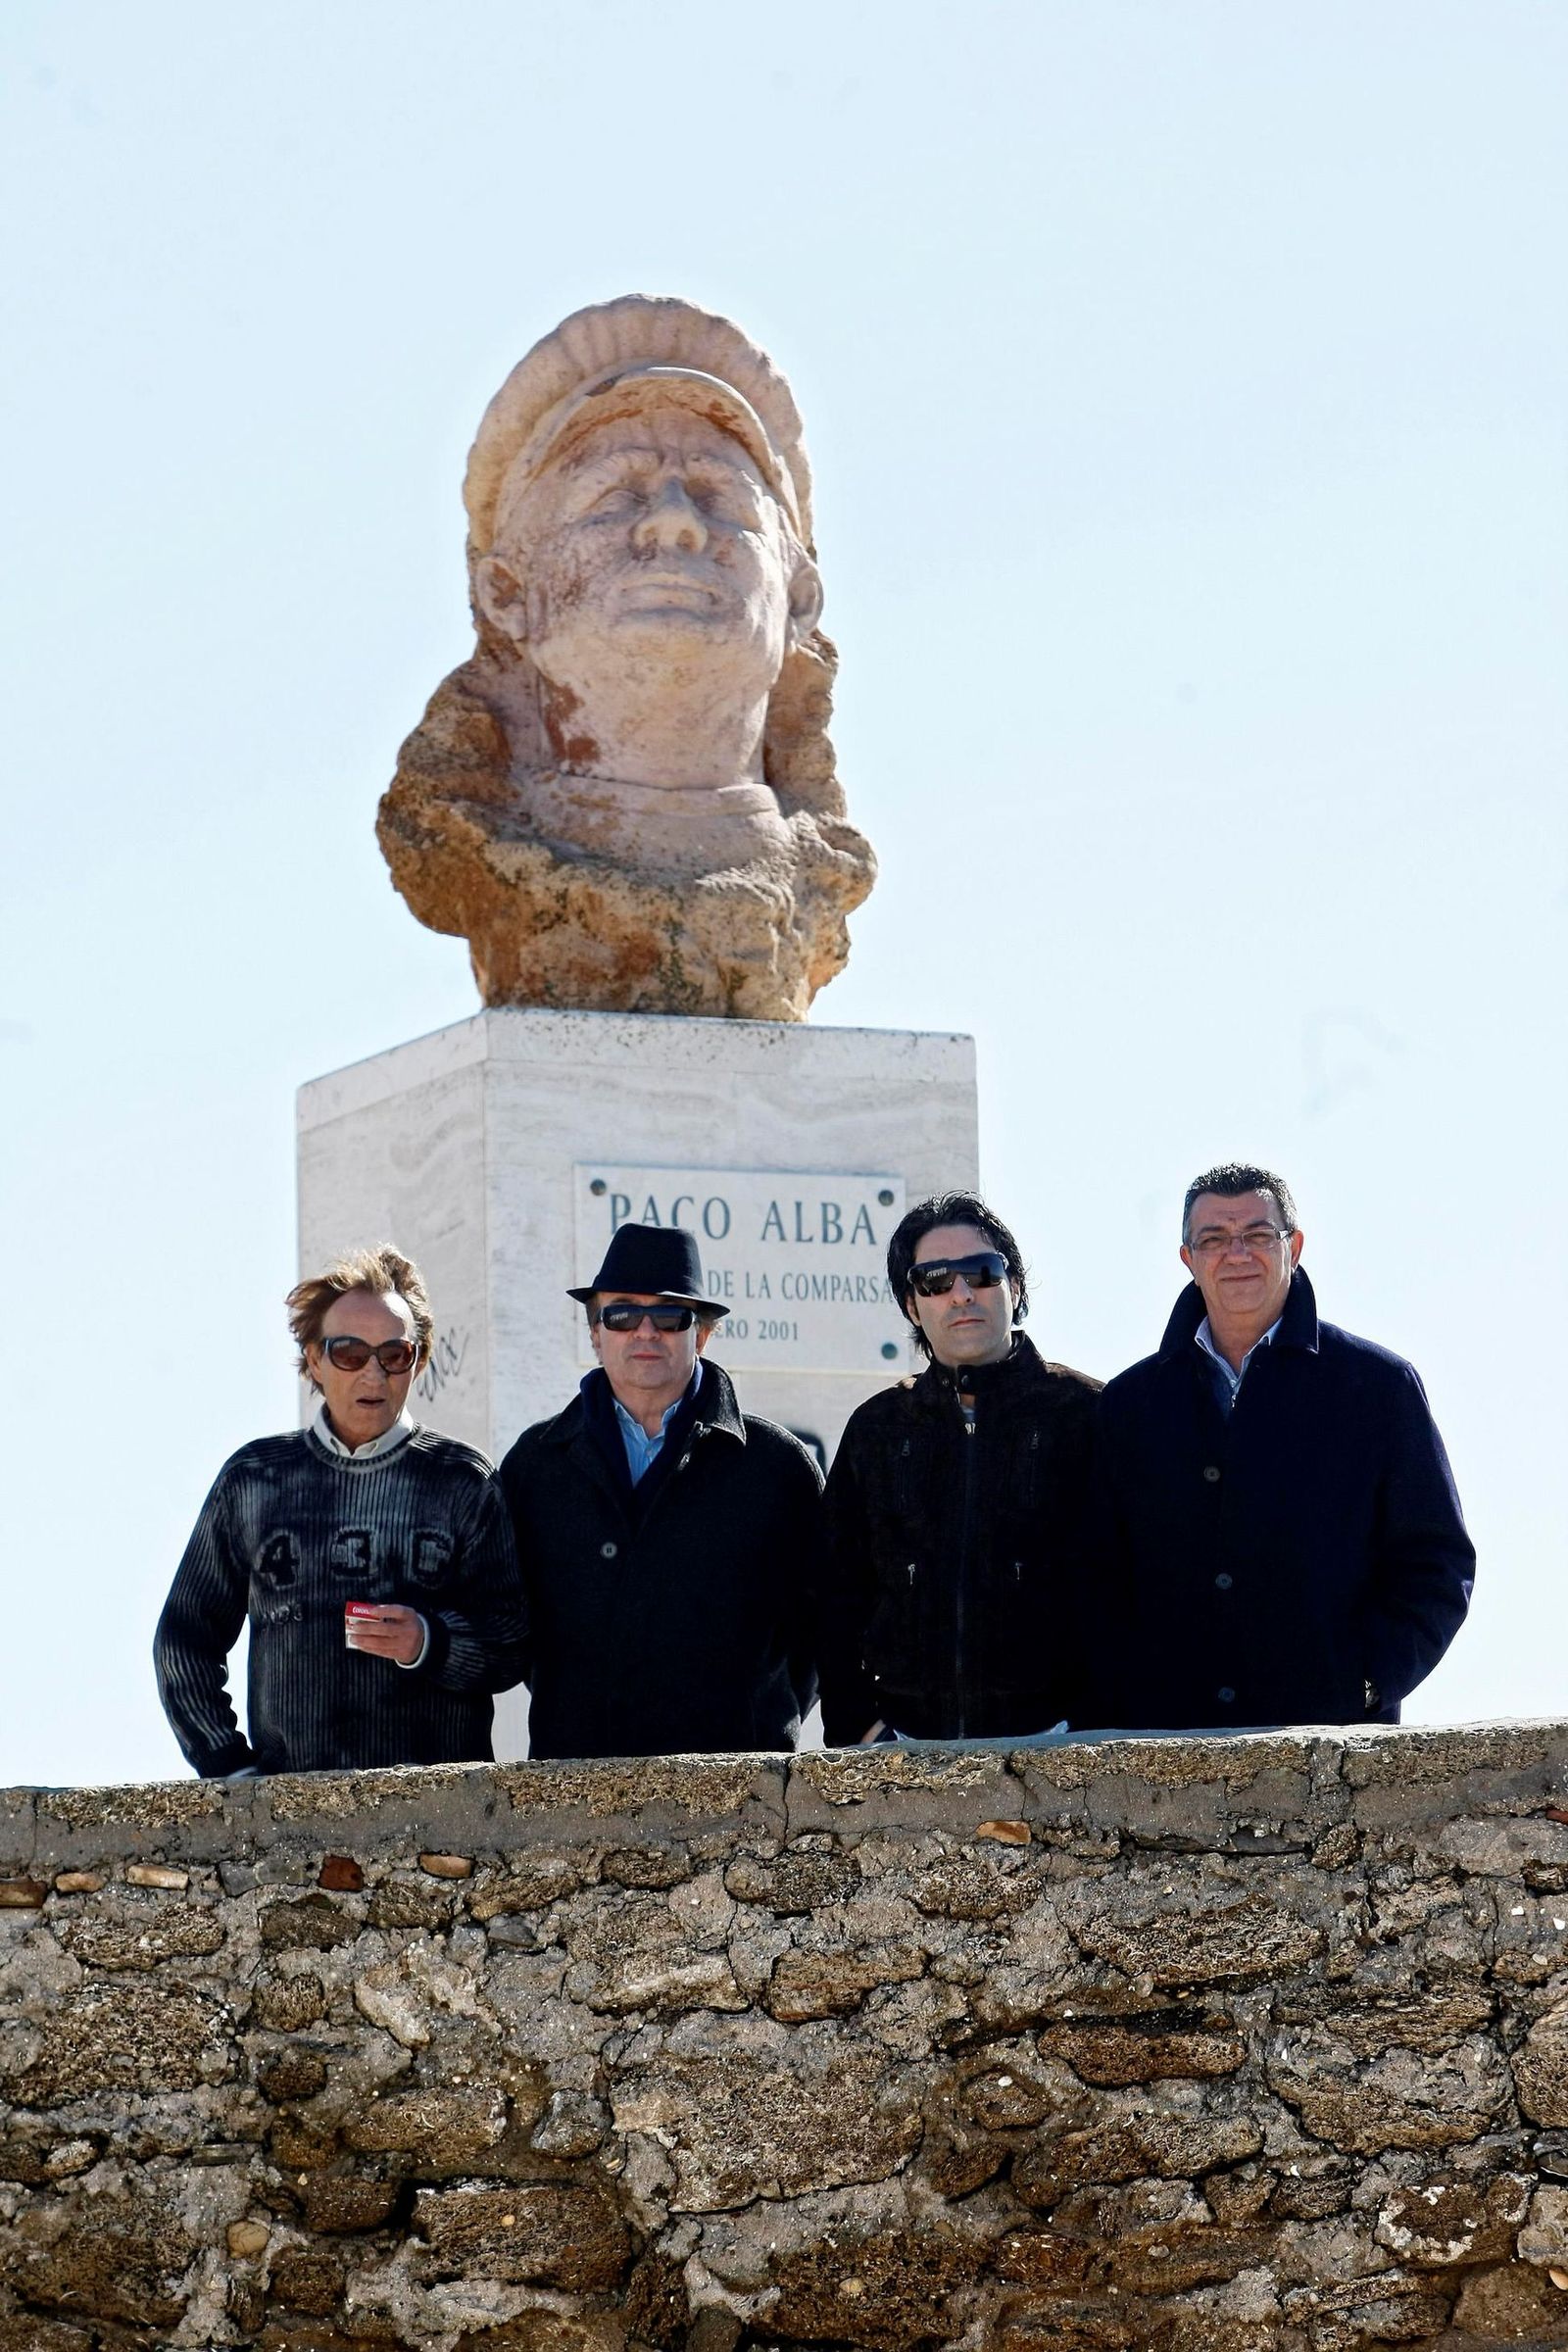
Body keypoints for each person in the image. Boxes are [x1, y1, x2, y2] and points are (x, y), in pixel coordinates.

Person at [1091, 1162, 1474, 1730]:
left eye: (1258, 1235)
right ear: (1188, 1260)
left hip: (1335, 1751)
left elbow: (1437, 1562)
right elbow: (1095, 1577)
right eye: (1214, 1239)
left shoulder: (1378, 1386)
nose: (1237, 1254)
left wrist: (1367, 1681)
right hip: (1162, 1757)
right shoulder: (1128, 1405)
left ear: (1294, 1246)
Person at [154, 1246, 527, 1777]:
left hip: (442, 1820)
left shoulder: (463, 1479)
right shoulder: (255, 1478)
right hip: (292, 1816)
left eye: (394, 1354)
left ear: (417, 1362)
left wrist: (429, 1641)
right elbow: (184, 1639)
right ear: (314, 1359)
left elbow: (513, 1640)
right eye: (349, 1352)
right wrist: (229, 1770)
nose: (372, 1374)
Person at [498, 1222, 823, 1758]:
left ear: (701, 1333)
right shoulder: (534, 1466)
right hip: (573, 1792)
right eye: (622, 1314)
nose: (645, 1332)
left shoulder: (777, 1466)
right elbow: (511, 1622)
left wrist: (763, 1712)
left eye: (670, 1315)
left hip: (742, 1796)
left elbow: (820, 1625)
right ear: (596, 1332)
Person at [818, 1192, 1102, 1744]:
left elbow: (1128, 1587)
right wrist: (862, 1729)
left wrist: (1091, 1730)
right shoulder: (877, 1430)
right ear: (911, 1304)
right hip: (902, 1757)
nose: (962, 1293)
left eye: (982, 1272)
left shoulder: (1087, 1415)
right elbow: (835, 1595)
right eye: (936, 1280)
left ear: (1013, 1287)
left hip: (1065, 1758)